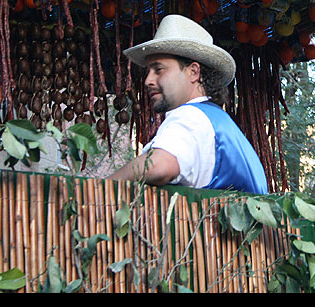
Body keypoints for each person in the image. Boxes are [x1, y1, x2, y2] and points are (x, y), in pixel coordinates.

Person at [108, 14, 268, 195]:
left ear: (193, 72)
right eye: (148, 71)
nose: (148, 80)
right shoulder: (220, 123)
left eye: (158, 69)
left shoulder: (191, 116)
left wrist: (105, 186)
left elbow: (159, 166)